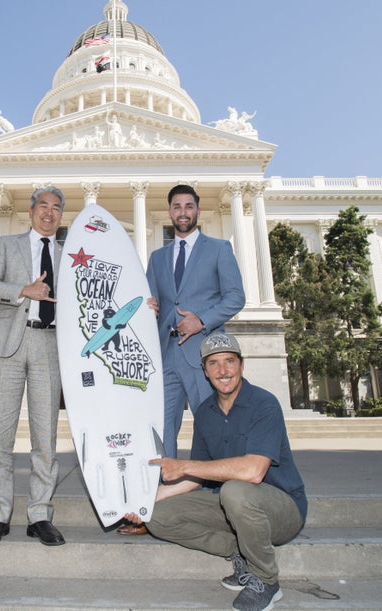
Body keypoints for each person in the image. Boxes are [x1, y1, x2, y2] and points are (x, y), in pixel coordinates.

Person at [125, 333, 307, 611]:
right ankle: (239, 553)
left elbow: (254, 471)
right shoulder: (205, 412)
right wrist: (146, 501)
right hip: (235, 507)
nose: (223, 371)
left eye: (229, 361)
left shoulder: (264, 403)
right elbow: (197, 477)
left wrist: (183, 465)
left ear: (242, 365)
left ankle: (266, 580)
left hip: (281, 510)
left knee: (235, 489)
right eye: (214, 364)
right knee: (158, 516)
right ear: (205, 372)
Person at [117, 184, 245, 536]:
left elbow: (236, 297)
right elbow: (150, 301)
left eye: (189, 206)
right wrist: (150, 307)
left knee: (213, 433)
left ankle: (220, 509)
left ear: (197, 212)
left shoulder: (219, 249)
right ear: (170, 213)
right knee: (161, 435)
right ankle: (158, 511)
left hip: (204, 356)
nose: (183, 212)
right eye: (177, 207)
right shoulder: (158, 258)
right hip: (165, 355)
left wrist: (201, 319)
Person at [0, 186, 66, 548]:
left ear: (61, 216)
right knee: (1, 434)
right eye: (43, 206)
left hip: (50, 345)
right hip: (9, 344)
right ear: (31, 212)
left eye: (56, 208)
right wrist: (23, 291)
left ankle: (40, 515)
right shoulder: (6, 244)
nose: (49, 212)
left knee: (45, 438)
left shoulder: (69, 255)